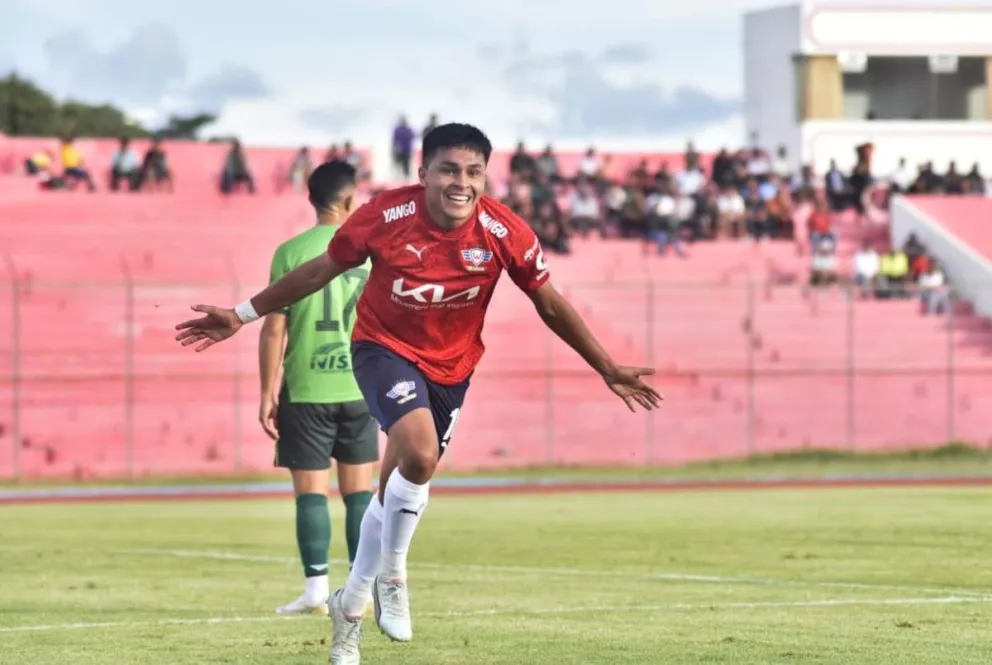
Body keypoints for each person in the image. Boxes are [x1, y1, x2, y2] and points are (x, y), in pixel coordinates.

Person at [174, 123, 662, 665]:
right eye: (449, 170)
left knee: (392, 489)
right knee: (422, 455)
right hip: (381, 349)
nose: (462, 183)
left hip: (452, 369)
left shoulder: (504, 232)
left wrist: (606, 367)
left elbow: (548, 302)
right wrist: (242, 314)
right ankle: (394, 576)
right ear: (424, 172)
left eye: (473, 172)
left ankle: (349, 610)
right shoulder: (386, 216)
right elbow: (319, 271)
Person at [260, 161, 379, 616]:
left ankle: (315, 592)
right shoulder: (371, 253)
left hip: (307, 386)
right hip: (361, 386)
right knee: (359, 493)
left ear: (313, 199)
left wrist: (267, 393)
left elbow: (274, 329)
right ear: (349, 199)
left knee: (311, 492)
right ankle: (359, 592)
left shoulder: (290, 252)